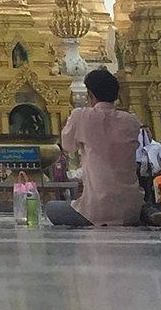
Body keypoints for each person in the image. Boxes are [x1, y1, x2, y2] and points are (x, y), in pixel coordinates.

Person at [45, 68, 142, 229]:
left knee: (51, 208)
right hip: (131, 209)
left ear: (90, 95)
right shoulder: (131, 121)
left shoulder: (81, 116)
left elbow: (67, 146)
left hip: (96, 210)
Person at [134, 125, 161, 204]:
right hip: (142, 173)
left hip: (155, 172)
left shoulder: (157, 145)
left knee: (156, 192)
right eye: (142, 133)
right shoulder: (137, 147)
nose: (145, 135)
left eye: (147, 132)